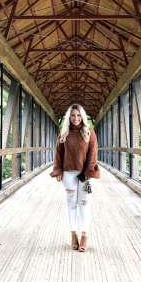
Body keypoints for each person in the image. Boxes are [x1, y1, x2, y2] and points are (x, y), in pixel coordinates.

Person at [50, 104, 100, 252]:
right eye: (73, 115)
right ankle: (73, 234)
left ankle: (84, 235)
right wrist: (58, 170)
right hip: (68, 174)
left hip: (86, 175)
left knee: (84, 204)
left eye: (78, 115)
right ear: (69, 117)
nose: (76, 118)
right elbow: (58, 153)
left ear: (82, 117)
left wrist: (89, 172)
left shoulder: (89, 132)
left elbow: (93, 154)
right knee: (71, 204)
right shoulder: (63, 133)